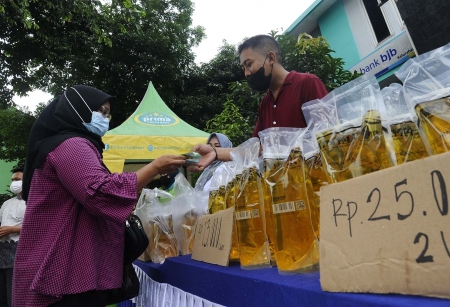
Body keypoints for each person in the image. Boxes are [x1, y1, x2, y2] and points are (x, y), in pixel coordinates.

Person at [12, 85, 184, 307]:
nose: (105, 118)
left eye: (107, 113)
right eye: (100, 111)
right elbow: (102, 192)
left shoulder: (74, 145)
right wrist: (154, 167)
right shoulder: (71, 146)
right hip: (65, 270)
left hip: (71, 265)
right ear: (77, 109)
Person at [188, 35, 328, 171]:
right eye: (243, 68)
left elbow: (328, 134)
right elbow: (255, 149)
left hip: (315, 180)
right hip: (283, 187)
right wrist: (215, 153)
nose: (246, 73)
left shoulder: (307, 83)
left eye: (249, 64)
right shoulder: (265, 103)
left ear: (271, 58)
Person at [0, 168, 25, 307]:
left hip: (19, 255)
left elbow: (39, 228)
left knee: (14, 297)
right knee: (2, 296)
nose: (14, 183)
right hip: (2, 255)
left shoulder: (33, 202)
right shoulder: (6, 203)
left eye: (17, 180)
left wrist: (13, 229)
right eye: (12, 180)